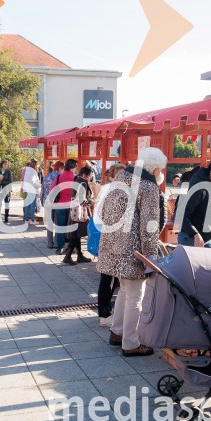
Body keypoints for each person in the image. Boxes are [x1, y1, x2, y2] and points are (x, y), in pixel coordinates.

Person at [97, 147, 167, 357]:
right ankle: (131, 342)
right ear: (155, 169)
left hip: (112, 245)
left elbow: (103, 211)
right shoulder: (148, 186)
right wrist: (150, 257)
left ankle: (117, 332)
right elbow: (150, 226)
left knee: (125, 291)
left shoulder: (121, 177)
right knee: (136, 295)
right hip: (133, 249)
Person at [94, 162, 125, 326]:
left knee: (114, 278)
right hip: (109, 238)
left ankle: (108, 312)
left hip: (114, 238)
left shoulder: (119, 190)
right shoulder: (109, 190)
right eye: (120, 175)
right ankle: (104, 314)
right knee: (108, 278)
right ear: (112, 176)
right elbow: (99, 214)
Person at [178, 161, 211, 248]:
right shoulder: (199, 188)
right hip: (190, 237)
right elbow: (181, 215)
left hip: (207, 237)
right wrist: (195, 234)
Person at [63, 165, 94, 265]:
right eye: (90, 176)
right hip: (80, 213)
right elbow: (82, 199)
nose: (90, 178)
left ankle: (79, 255)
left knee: (76, 235)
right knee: (76, 235)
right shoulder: (83, 183)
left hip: (74, 212)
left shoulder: (76, 181)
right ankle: (67, 256)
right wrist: (91, 202)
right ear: (84, 175)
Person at [51, 159, 78, 254]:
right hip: (71, 206)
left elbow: (52, 190)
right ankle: (71, 248)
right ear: (72, 167)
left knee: (60, 227)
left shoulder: (59, 177)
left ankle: (60, 247)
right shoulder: (75, 178)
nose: (76, 169)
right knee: (71, 227)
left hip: (60, 205)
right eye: (75, 167)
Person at [41, 161, 63, 249]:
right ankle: (58, 243)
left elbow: (42, 191)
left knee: (49, 223)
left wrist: (42, 201)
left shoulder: (47, 177)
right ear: (61, 168)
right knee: (58, 222)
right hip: (57, 202)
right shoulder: (60, 177)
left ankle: (50, 242)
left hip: (48, 202)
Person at [0, 159, 13, 224]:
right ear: (2, 165)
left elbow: (10, 181)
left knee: (7, 204)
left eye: (7, 164)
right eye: (4, 164)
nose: (5, 166)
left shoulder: (9, 172)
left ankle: (6, 218)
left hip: (6, 190)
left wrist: (1, 182)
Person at [21, 159, 41, 225]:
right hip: (32, 190)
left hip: (27, 189)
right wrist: (40, 185)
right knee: (32, 206)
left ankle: (26, 219)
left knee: (28, 205)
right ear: (35, 165)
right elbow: (33, 182)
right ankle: (32, 219)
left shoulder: (27, 170)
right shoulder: (33, 172)